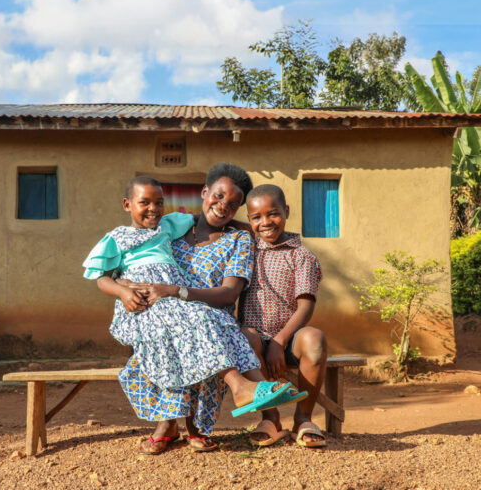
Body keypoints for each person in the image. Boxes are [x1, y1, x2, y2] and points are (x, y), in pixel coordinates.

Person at [84, 172, 305, 454]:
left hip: (196, 309)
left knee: (213, 325)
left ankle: (249, 398)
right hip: (150, 306)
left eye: (234, 203)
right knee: (187, 330)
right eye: (219, 196)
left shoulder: (228, 237)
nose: (224, 205)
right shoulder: (170, 228)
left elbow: (229, 291)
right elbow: (105, 273)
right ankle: (178, 419)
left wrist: (246, 223)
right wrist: (124, 286)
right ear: (204, 192)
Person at [239, 182, 328, 448]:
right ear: (249, 221)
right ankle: (271, 418)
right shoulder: (244, 251)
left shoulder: (302, 256)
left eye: (273, 213)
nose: (265, 222)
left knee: (315, 338)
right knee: (245, 337)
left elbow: (305, 307)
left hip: (288, 340)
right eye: (256, 217)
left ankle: (303, 418)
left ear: (286, 211)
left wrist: (278, 342)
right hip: (254, 341)